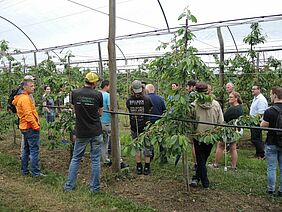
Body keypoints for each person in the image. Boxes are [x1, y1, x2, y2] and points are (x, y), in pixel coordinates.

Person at [64, 72, 103, 193]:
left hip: (81, 131)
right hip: (95, 130)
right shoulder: (98, 95)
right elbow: (100, 112)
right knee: (95, 159)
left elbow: (73, 109)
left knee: (76, 158)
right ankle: (95, 188)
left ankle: (69, 186)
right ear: (94, 83)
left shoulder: (75, 93)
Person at [191, 82, 224, 188]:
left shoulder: (194, 105)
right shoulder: (215, 104)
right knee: (203, 158)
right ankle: (197, 178)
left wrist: (192, 132)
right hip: (211, 136)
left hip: (198, 135)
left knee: (201, 159)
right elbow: (221, 121)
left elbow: (191, 122)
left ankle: (203, 181)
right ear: (207, 91)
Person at [12, 77, 42, 177]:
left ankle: (24, 171)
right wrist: (36, 126)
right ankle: (35, 173)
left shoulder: (20, 97)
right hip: (30, 127)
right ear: (25, 87)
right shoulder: (25, 99)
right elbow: (28, 114)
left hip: (24, 126)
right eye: (31, 86)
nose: (34, 88)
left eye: (34, 85)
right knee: (34, 150)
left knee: (26, 149)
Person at [126, 80, 153, 175]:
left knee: (137, 147)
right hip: (146, 127)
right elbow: (150, 109)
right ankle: (147, 167)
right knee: (147, 147)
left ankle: (139, 166)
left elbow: (129, 109)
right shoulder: (147, 99)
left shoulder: (129, 100)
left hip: (134, 126)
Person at [213, 91, 244, 170]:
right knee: (233, 147)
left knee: (220, 145)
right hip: (237, 130)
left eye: (231, 97)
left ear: (236, 98)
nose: (229, 98)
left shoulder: (232, 109)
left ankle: (216, 164)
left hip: (229, 130)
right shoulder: (240, 107)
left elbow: (224, 119)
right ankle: (233, 166)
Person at [260, 86, 282, 196]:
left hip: (272, 142)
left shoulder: (269, 111)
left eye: (271, 94)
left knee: (272, 167)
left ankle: (271, 189)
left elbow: (263, 125)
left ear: (275, 95)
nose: (270, 96)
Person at [145, 84, 167, 163]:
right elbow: (164, 111)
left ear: (147, 90)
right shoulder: (160, 99)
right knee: (160, 139)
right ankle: (163, 156)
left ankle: (151, 155)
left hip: (148, 121)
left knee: (149, 139)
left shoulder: (145, 98)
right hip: (159, 122)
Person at [250, 85, 268, 159]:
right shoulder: (255, 98)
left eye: (254, 89)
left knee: (255, 139)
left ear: (259, 90)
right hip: (253, 121)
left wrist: (254, 120)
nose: (252, 90)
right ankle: (258, 153)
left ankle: (261, 154)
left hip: (256, 121)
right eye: (252, 89)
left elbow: (261, 112)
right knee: (256, 138)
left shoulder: (261, 99)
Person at [99, 80, 111, 166]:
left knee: (101, 140)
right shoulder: (107, 95)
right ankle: (106, 159)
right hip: (107, 121)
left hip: (99, 121)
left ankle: (103, 157)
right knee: (106, 140)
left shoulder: (97, 94)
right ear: (106, 86)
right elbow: (110, 109)